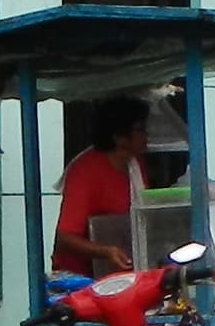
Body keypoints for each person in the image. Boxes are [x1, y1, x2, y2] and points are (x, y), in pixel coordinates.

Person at [53, 97, 153, 277]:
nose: (146, 136)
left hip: (117, 270)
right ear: (119, 138)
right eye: (140, 130)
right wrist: (105, 252)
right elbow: (65, 238)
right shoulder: (85, 171)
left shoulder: (136, 165)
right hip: (77, 278)